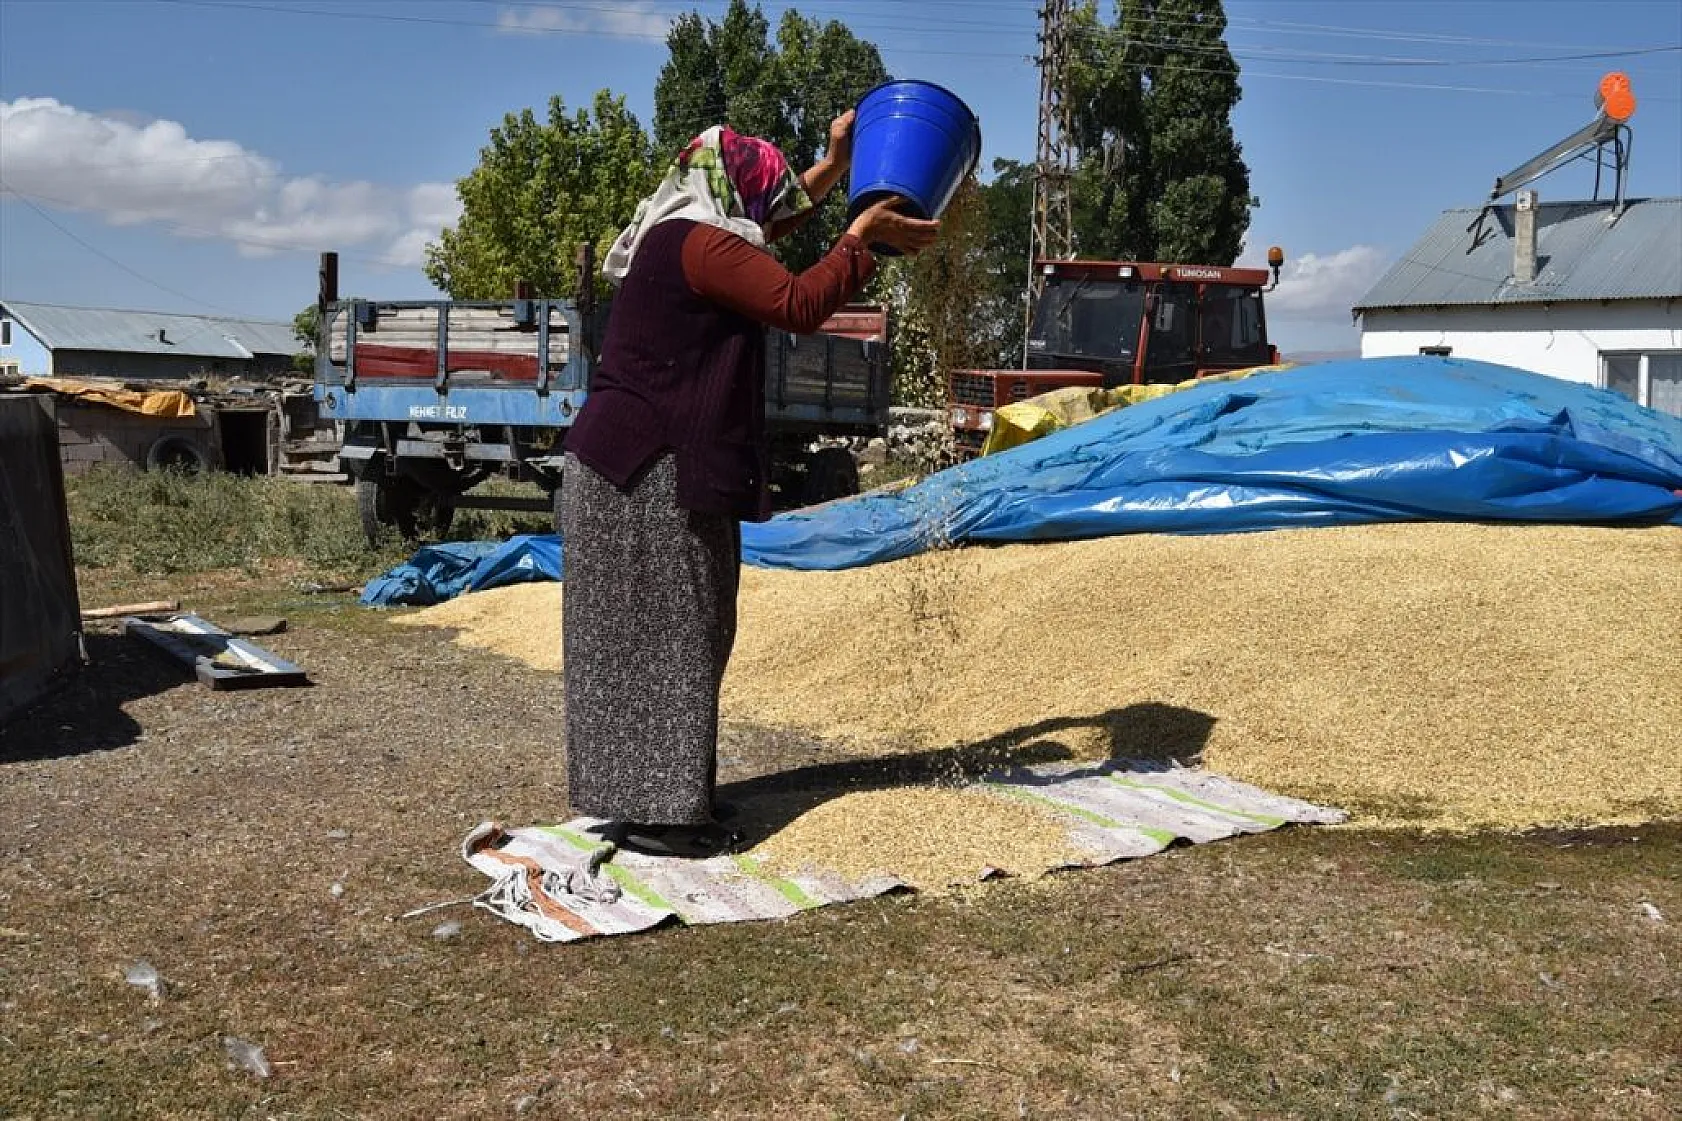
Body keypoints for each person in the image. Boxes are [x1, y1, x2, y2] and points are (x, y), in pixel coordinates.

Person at [560, 112, 940, 857]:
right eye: (760, 194)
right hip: (645, 471)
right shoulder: (699, 244)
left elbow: (774, 214)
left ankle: (662, 798)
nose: (767, 210)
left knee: (671, 631)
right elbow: (795, 301)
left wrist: (835, 164)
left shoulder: (685, 233)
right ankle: (667, 817)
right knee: (677, 631)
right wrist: (859, 240)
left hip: (627, 465)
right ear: (730, 190)